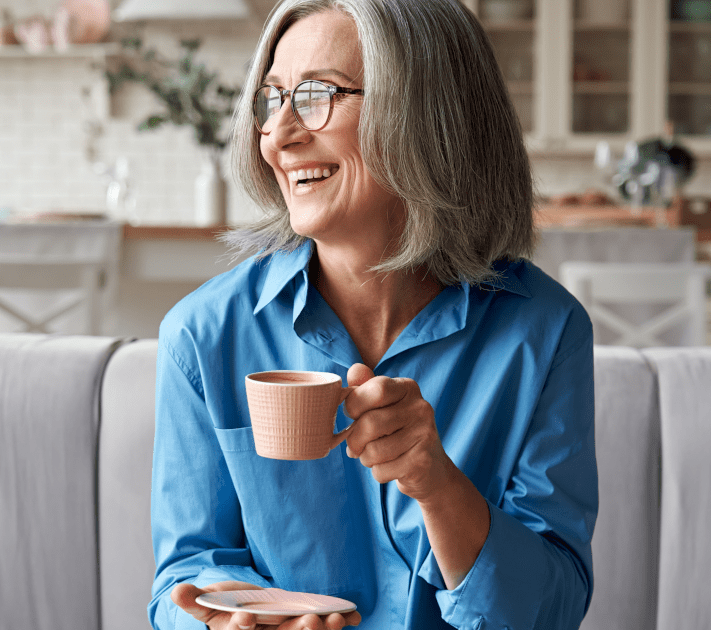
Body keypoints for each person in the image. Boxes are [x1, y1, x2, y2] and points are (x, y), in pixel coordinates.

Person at [149, 0, 597, 628]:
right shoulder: (203, 336)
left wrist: (438, 485)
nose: (278, 136)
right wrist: (229, 615)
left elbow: (551, 609)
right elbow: (185, 573)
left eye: (316, 95)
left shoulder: (544, 333)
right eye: (273, 99)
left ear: (429, 114)